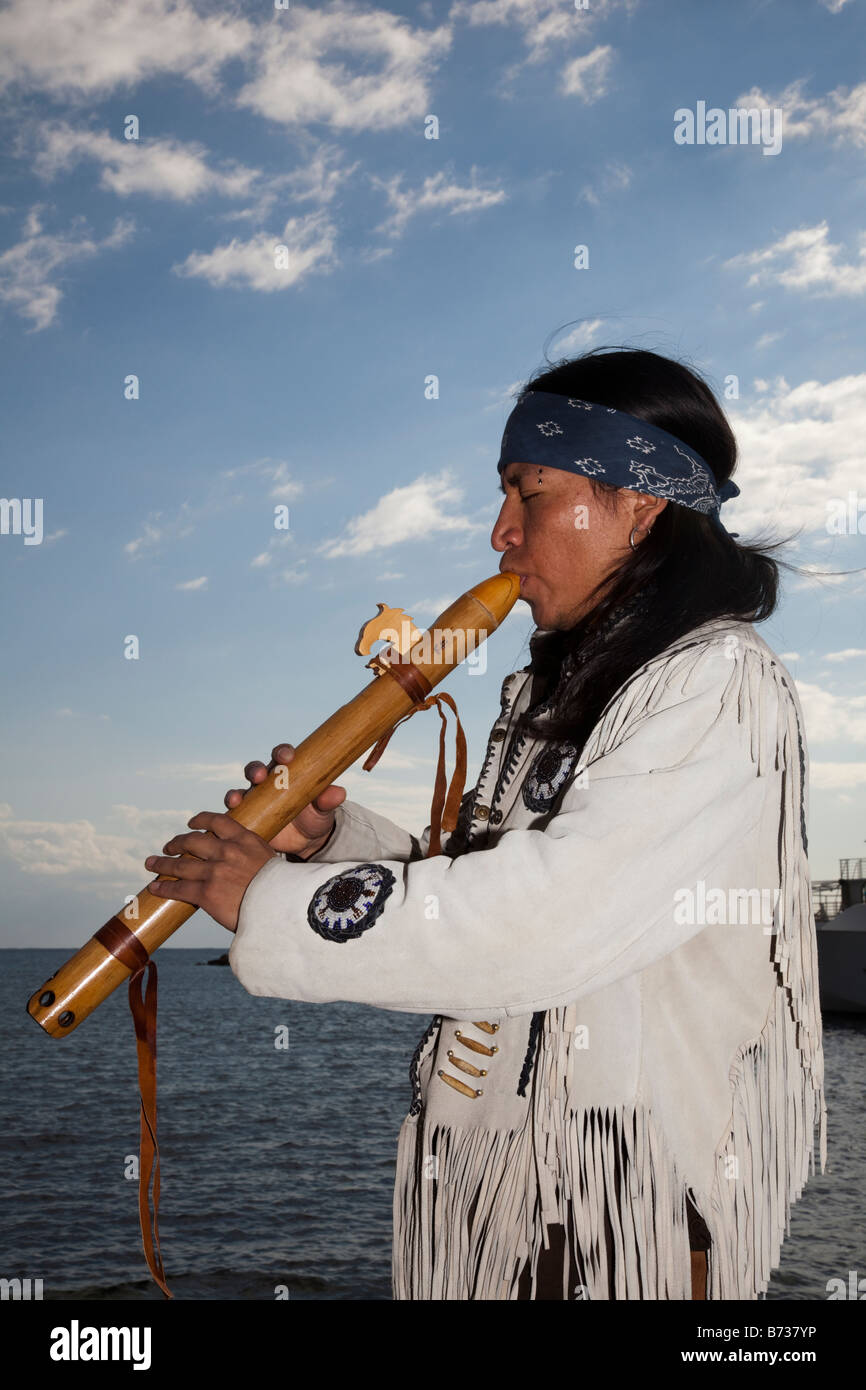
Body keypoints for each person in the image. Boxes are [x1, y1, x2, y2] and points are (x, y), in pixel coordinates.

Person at [144, 347, 826, 1301]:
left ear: (637, 501)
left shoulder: (717, 682)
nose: (501, 533)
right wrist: (327, 848)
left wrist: (269, 899)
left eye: (528, 492)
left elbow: (554, 914)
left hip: (607, 1227)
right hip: (508, 1203)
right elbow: (489, 872)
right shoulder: (570, 683)